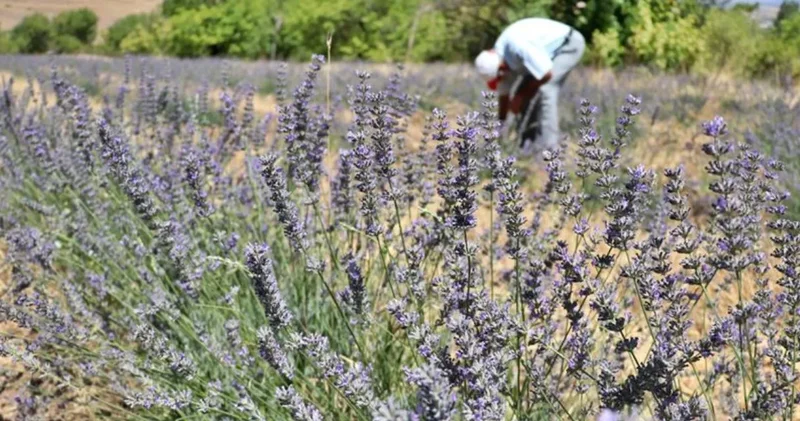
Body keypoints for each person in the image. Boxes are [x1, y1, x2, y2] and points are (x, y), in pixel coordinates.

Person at [475, 18, 585, 151]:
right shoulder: (499, 63)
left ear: (502, 69)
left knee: (546, 89)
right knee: (526, 93)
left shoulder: (517, 46)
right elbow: (504, 98)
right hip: (543, 59)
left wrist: (520, 96)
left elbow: (546, 74)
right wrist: (498, 133)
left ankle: (551, 149)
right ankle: (527, 145)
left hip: (568, 44)